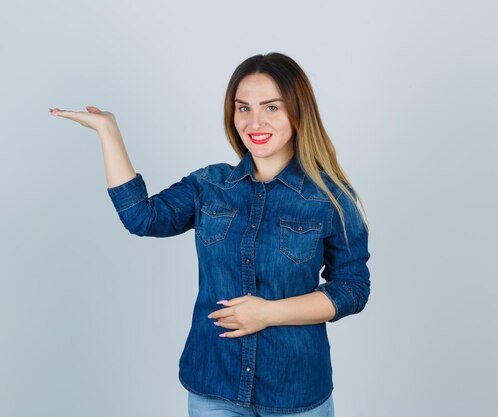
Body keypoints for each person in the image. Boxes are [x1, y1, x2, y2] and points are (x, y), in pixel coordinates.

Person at [50, 52, 371, 417]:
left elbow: (352, 289)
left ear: (298, 113)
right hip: (213, 385)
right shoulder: (209, 185)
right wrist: (109, 132)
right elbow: (142, 217)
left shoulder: (330, 198)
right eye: (243, 108)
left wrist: (270, 313)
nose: (254, 122)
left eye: (271, 108)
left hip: (294, 390)